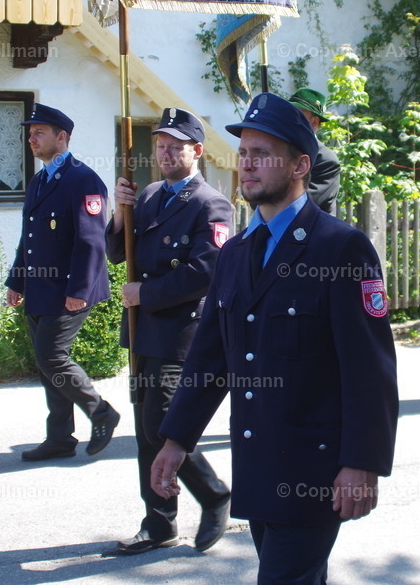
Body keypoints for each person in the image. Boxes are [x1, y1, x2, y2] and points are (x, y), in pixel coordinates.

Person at [150, 92, 398, 584]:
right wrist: (177, 439)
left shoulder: (341, 248)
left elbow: (370, 369)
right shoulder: (237, 252)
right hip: (259, 467)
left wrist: (361, 464)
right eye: (243, 154)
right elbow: (210, 356)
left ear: (300, 165)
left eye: (262, 155)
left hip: (316, 473)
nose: (247, 165)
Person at [105, 108, 233, 555]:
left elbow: (205, 271)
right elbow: (118, 253)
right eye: (160, 144)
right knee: (146, 431)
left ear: (196, 151)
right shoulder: (149, 196)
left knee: (164, 426)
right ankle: (159, 524)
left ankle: (215, 494)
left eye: (175, 145)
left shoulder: (212, 203)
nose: (164, 152)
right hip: (142, 332)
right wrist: (120, 216)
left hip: (180, 333)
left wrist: (146, 294)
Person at [5, 104, 120, 461]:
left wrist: (79, 291)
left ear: (62, 137)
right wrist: (17, 280)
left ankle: (101, 411)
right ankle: (60, 438)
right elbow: (30, 239)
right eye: (30, 133)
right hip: (40, 288)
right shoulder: (40, 180)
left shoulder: (83, 180)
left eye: (39, 132)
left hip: (69, 289)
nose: (32, 138)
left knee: (52, 356)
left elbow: (91, 241)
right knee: (46, 362)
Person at [289, 88, 341, 216]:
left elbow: (300, 203)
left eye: (296, 115)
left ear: (314, 122)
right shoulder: (282, 152)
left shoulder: (326, 159)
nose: (288, 120)